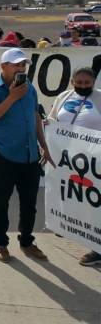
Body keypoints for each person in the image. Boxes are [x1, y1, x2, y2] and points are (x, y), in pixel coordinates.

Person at [0, 48, 53, 263]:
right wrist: (11, 97)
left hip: (30, 154)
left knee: (29, 202)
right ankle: (0, 243)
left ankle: (27, 241)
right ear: (3, 66)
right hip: (4, 154)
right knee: (1, 201)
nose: (21, 68)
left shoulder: (29, 88)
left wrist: (44, 145)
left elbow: (35, 116)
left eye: (24, 65)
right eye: (17, 64)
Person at [47, 67, 101, 266]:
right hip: (66, 157)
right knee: (68, 193)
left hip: (93, 161)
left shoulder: (100, 98)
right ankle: (67, 225)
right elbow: (53, 120)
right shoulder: (64, 96)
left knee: (94, 202)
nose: (83, 86)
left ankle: (97, 248)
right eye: (79, 83)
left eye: (87, 83)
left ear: (94, 82)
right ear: (72, 82)